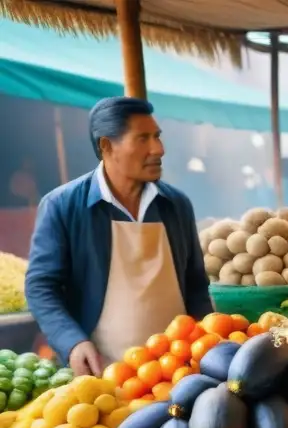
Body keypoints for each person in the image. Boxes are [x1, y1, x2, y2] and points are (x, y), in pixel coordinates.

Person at [25, 97, 212, 375]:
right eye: (142, 139)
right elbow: (41, 286)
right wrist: (73, 343)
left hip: (180, 370)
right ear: (106, 145)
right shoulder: (62, 206)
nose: (158, 149)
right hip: (103, 372)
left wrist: (209, 343)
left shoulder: (176, 204)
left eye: (157, 137)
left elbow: (196, 284)